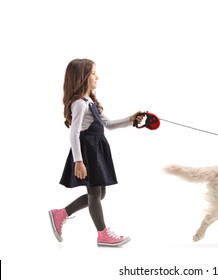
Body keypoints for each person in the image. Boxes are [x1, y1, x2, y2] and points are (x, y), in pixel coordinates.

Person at [49, 58, 144, 247]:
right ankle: (102, 234)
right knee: (94, 194)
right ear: (83, 77)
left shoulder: (89, 102)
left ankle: (60, 213)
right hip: (88, 153)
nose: (97, 77)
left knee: (100, 194)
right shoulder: (79, 104)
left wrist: (131, 119)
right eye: (93, 73)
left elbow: (108, 124)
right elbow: (74, 134)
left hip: (96, 150)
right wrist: (78, 161)